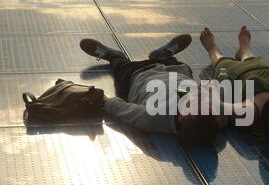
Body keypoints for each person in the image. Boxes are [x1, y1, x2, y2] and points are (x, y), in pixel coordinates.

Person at [79, 35, 219, 145]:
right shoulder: (215, 112)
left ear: (181, 116)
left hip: (138, 74)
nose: (200, 95)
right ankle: (163, 55)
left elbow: (116, 106)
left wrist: (90, 95)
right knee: (179, 66)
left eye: (195, 102)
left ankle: (113, 56)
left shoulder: (152, 117)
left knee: (121, 67)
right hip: (174, 69)